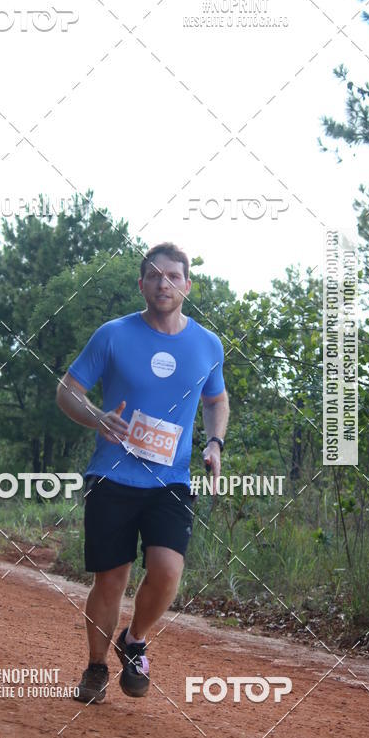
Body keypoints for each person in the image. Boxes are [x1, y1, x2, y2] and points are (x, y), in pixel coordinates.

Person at [56, 243, 229, 702]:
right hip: (111, 477)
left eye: (172, 276)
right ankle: (95, 668)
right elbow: (67, 391)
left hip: (170, 480)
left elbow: (216, 400)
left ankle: (134, 640)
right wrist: (97, 417)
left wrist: (214, 442)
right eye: (154, 276)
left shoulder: (207, 344)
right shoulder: (113, 335)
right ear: (141, 285)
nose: (163, 283)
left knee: (168, 571)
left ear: (187, 286)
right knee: (111, 579)